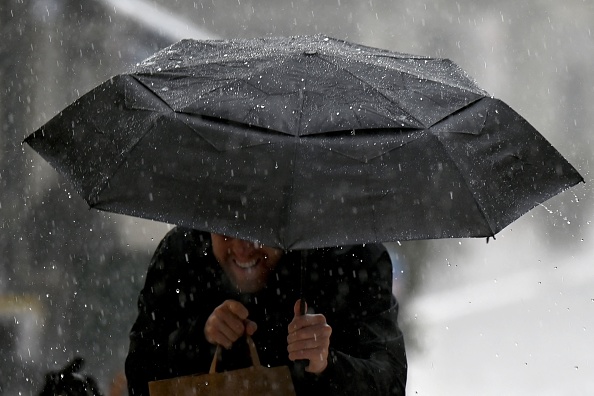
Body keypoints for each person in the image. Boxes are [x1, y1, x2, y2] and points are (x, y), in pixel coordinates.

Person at [125, 227, 407, 395]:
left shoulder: (349, 257)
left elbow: (389, 379)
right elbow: (140, 376)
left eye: (258, 232)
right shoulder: (181, 257)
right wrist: (199, 338)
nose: (242, 248)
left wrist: (326, 364)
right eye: (225, 229)